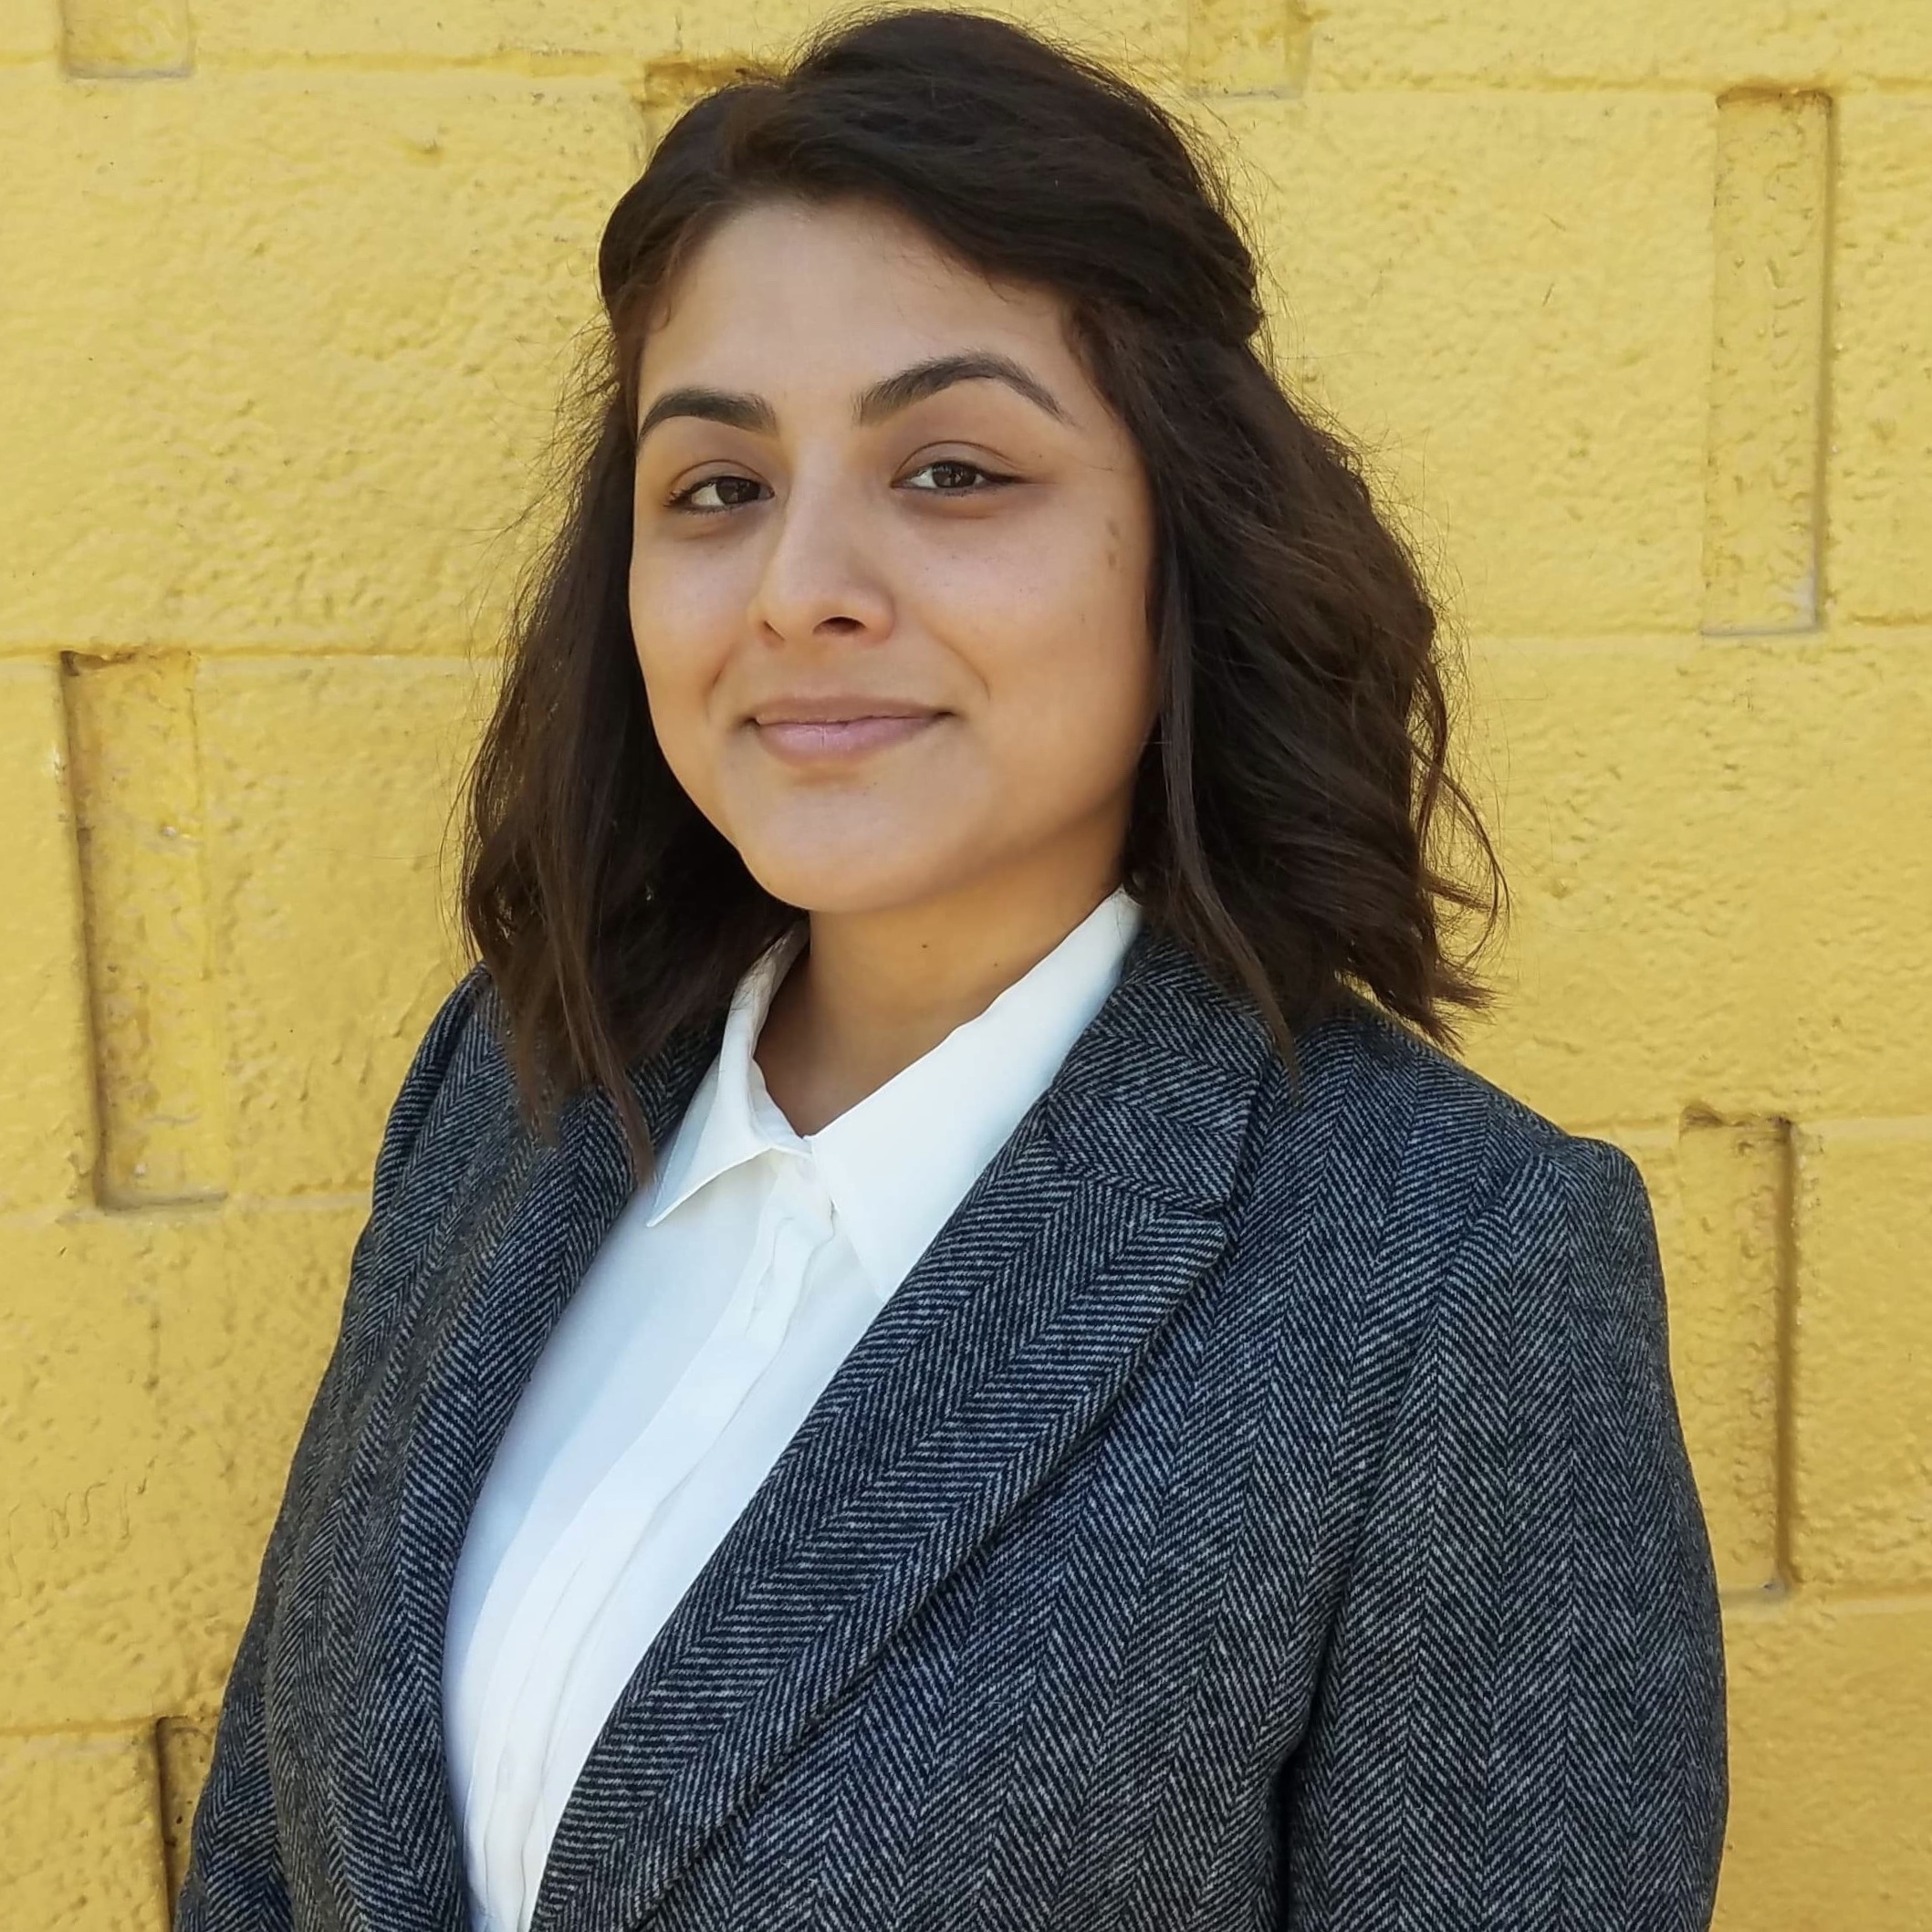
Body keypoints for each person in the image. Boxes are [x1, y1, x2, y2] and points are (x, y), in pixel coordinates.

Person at [173, 11, 1728, 1930]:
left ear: (1181, 548)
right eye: (717, 488)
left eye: (955, 472)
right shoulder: (513, 1088)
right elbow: (266, 1850)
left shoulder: (1451, 1284)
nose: (798, 583)